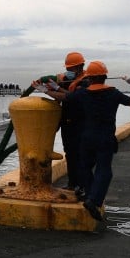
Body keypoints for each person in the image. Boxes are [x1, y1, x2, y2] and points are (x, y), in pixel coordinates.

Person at [44, 61, 130, 221]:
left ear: (89, 77)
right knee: (104, 170)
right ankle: (93, 200)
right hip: (105, 137)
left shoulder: (83, 94)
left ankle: (89, 196)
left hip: (86, 137)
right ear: (105, 77)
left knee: (84, 168)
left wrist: (47, 90)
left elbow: (65, 97)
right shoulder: (113, 93)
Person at [31, 51, 88, 194]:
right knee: (70, 153)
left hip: (80, 122)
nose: (68, 71)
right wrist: (55, 87)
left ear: (79, 67)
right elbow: (66, 93)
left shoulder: (86, 81)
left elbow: (69, 98)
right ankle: (72, 183)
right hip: (68, 121)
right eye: (67, 69)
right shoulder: (73, 79)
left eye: (70, 69)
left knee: (79, 154)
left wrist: (46, 91)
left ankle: (81, 185)